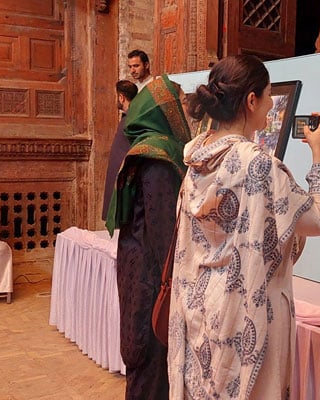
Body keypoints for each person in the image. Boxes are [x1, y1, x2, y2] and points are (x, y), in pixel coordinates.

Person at [167, 54, 320, 399]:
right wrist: (318, 154)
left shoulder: (195, 161)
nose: (272, 105)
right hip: (247, 311)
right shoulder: (258, 166)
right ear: (251, 100)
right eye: (268, 96)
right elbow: (318, 220)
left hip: (201, 306)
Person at [105, 75, 192, 400]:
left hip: (137, 266)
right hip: (151, 276)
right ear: (164, 110)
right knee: (150, 361)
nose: (185, 112)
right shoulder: (159, 157)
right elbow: (163, 233)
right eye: (180, 105)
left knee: (142, 355)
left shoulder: (144, 148)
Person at [102, 80, 138, 221]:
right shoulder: (129, 117)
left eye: (115, 96)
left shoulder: (132, 119)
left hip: (125, 181)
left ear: (121, 97)